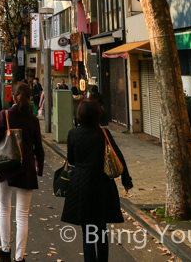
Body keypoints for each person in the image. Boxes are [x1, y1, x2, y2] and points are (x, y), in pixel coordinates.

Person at [61, 100, 133, 262]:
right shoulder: (104, 134)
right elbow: (118, 156)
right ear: (97, 115)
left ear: (79, 115)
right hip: (101, 184)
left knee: (87, 231)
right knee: (101, 229)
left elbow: (71, 159)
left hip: (81, 183)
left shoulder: (73, 133)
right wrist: (126, 180)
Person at [0, 82, 44, 262]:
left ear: (13, 97)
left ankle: (5, 252)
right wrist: (39, 168)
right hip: (27, 170)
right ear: (30, 99)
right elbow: (38, 148)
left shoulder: (5, 115)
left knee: (4, 209)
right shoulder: (33, 120)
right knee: (23, 215)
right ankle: (19, 257)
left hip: (6, 166)